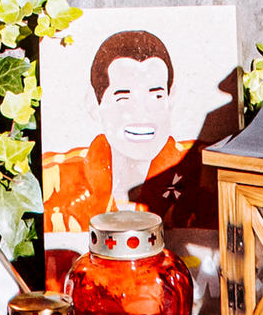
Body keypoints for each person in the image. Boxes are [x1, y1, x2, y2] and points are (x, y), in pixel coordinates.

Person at [46, 26, 182, 233]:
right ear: (94, 105)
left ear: (171, 99)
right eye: (123, 98)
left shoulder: (205, 173)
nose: (142, 113)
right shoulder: (56, 181)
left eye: (156, 96)